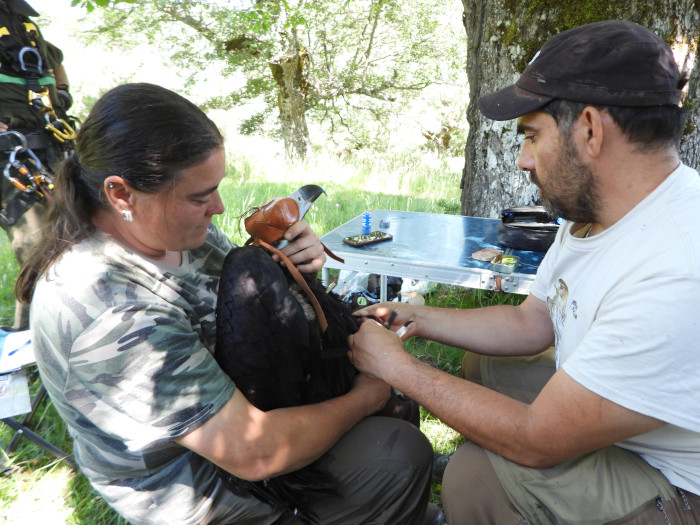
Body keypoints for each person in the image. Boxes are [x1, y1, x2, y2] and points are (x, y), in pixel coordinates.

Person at [15, 82, 439, 525]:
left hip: (243, 409)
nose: (218, 207)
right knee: (398, 451)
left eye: (215, 189)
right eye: (199, 197)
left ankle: (395, 504)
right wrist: (366, 396)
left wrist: (290, 268)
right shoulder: (111, 310)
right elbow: (254, 453)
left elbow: (241, 303)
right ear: (121, 194)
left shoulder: (170, 230)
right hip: (198, 486)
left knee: (390, 411)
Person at [347, 19, 700, 525]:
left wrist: (397, 368)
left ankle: (498, 496)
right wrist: (415, 318)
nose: (522, 159)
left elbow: (537, 439)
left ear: (590, 130)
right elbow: (532, 323)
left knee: (474, 473)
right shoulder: (600, 211)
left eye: (532, 135)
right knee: (483, 368)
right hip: (638, 428)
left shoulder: (678, 268)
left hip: (680, 485)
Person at [0, 0, 76, 330]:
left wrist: (62, 93)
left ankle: (60, 329)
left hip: (50, 146)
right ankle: (30, 339)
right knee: (37, 245)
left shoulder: (20, 17)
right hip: (10, 156)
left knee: (69, 236)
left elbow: (54, 59)